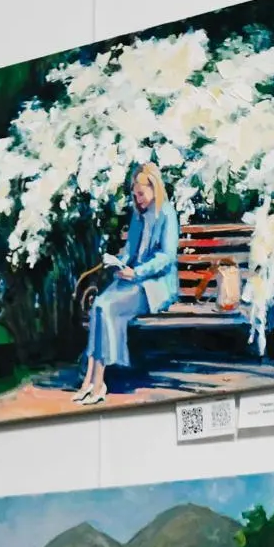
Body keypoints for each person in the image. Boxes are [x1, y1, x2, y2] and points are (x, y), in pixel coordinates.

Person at [74, 162, 180, 405]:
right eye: (135, 195)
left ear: (154, 189)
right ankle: (90, 381)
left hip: (154, 286)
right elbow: (130, 250)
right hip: (132, 280)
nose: (138, 199)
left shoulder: (167, 214)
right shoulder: (138, 215)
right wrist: (118, 262)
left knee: (106, 307)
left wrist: (137, 272)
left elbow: (167, 257)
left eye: (141, 194)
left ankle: (98, 383)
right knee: (99, 305)